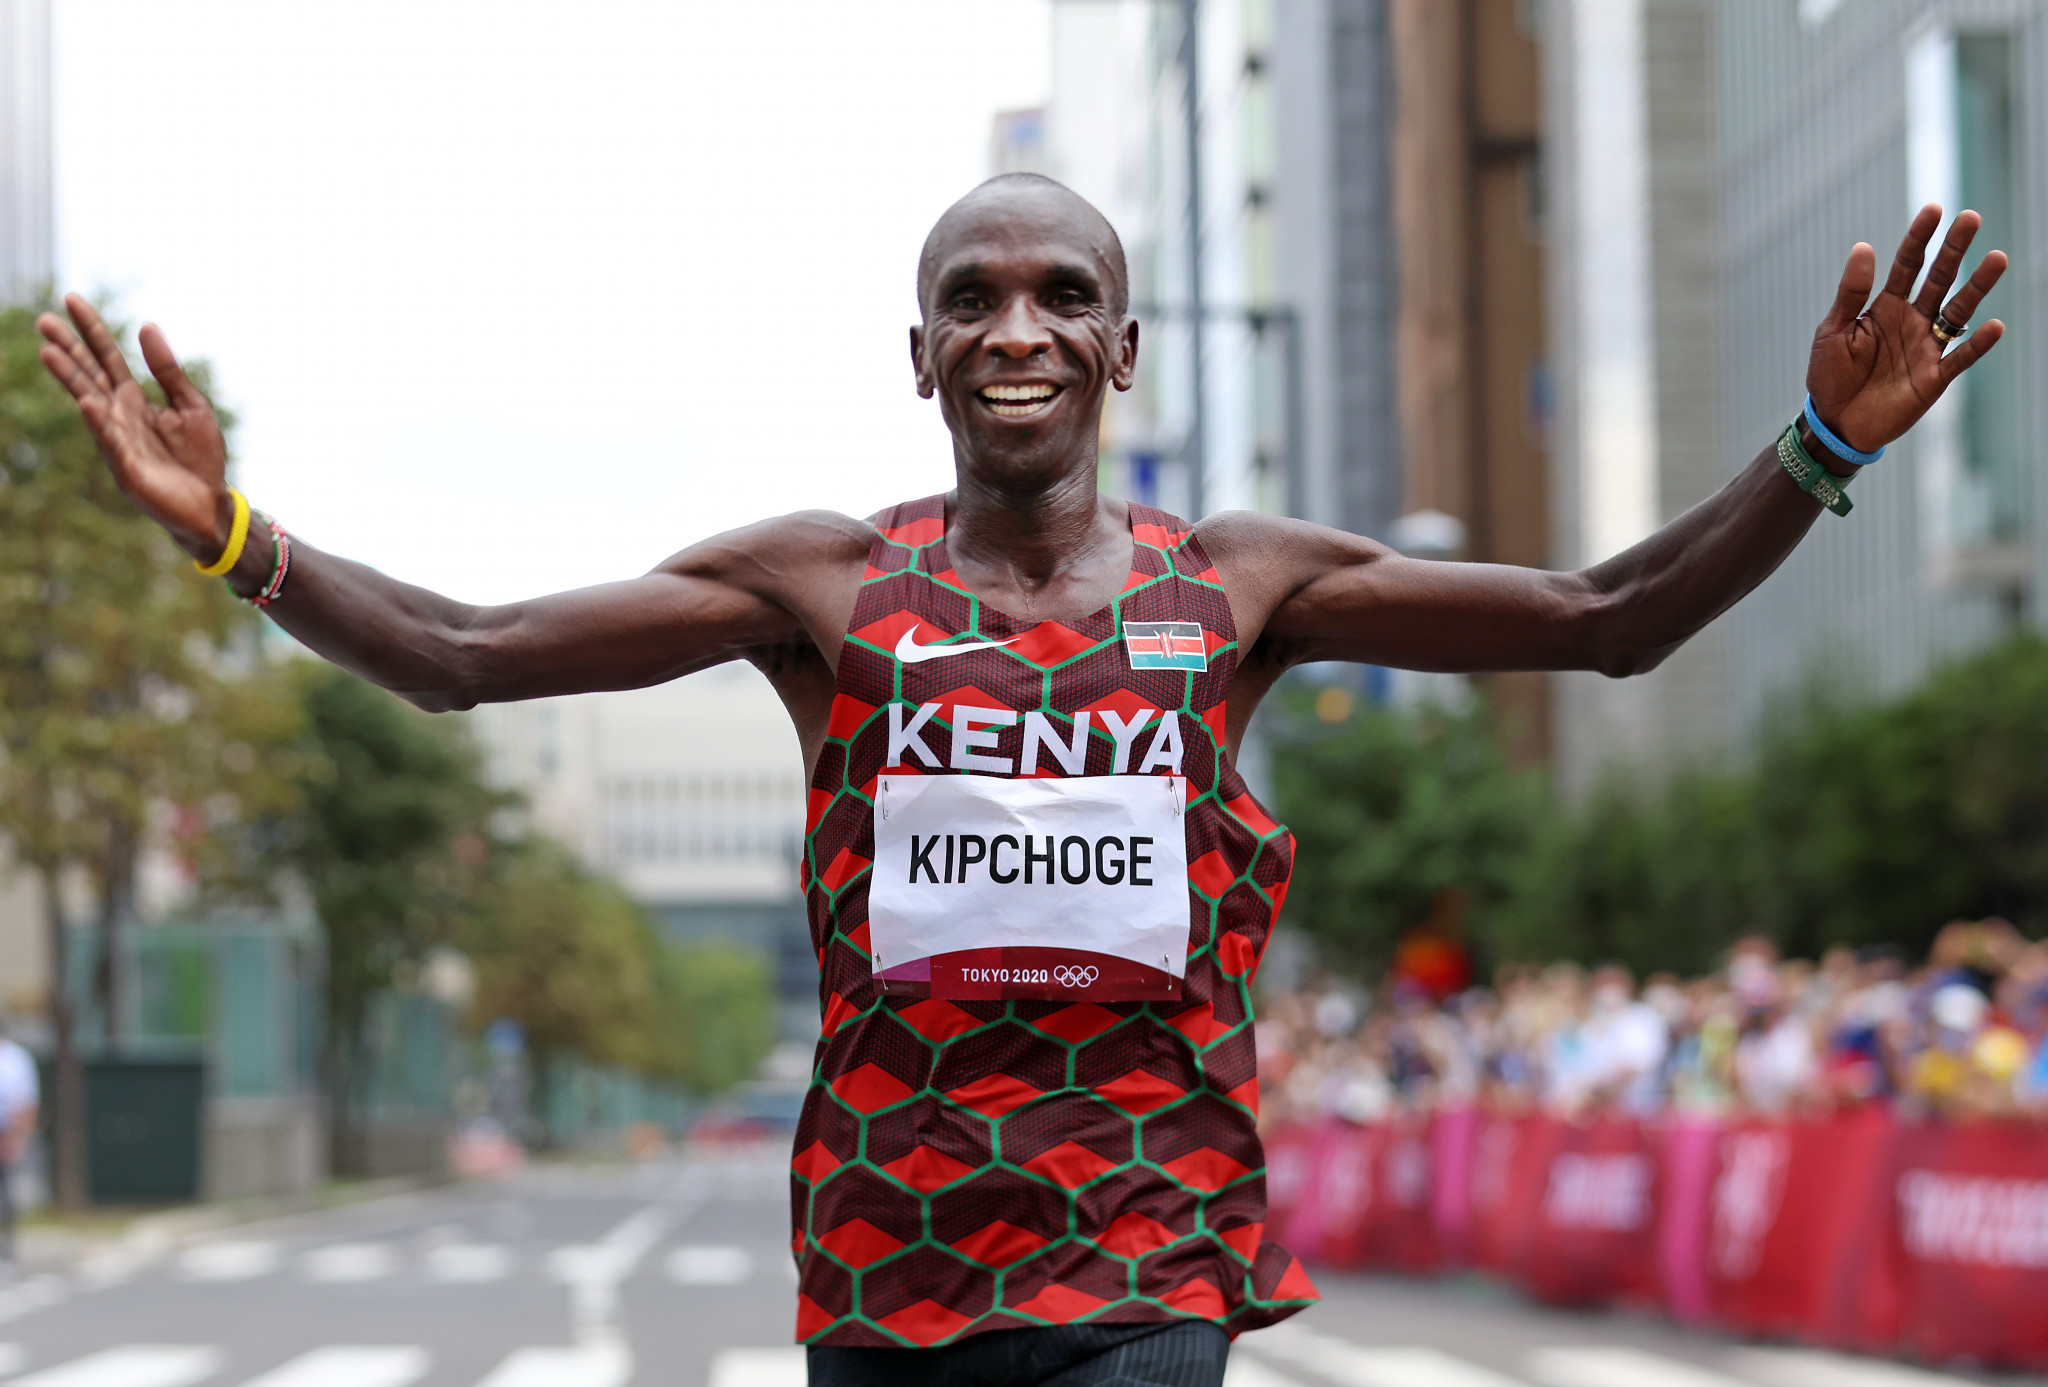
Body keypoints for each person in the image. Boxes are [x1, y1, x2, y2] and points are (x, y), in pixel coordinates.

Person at [36, 175, 2005, 1385]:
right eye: (972, 299)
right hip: (885, 1251)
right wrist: (236, 538)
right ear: (918, 356)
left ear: (1124, 346)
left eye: (1060, 294)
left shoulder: (1233, 588)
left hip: (1149, 1236)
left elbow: (1605, 612)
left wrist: (1816, 449)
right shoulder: (819, 585)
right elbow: (464, 657)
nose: (1017, 327)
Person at [0, 1015, 39, 1268]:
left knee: (6, 1191)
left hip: (6, 1132)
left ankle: (7, 1245)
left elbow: (26, 1100)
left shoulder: (14, 1059)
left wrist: (20, 1136)